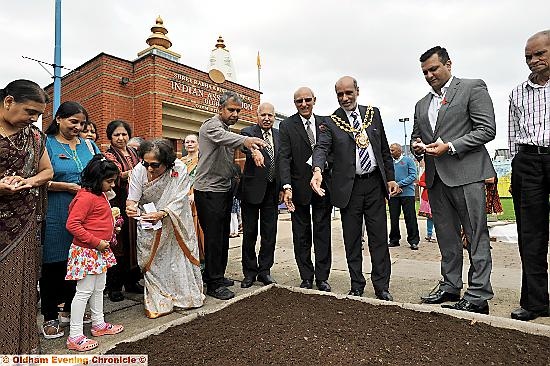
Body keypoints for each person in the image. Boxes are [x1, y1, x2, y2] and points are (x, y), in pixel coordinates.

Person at [412, 46, 496, 315]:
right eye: (424, 71)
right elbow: (418, 135)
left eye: (434, 68)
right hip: (436, 179)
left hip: (468, 175)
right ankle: (450, 285)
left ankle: (479, 294)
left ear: (448, 64)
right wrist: (416, 146)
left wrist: (451, 146)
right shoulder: (421, 104)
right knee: (446, 238)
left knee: (475, 236)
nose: (429, 75)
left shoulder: (472, 87)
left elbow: (487, 130)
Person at [311, 76, 398, 300]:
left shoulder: (373, 114)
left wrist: (390, 178)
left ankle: (381, 286)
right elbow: (321, 148)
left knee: (378, 238)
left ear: (357, 91)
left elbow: (384, 150)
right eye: (340, 94)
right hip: (349, 189)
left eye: (348, 93)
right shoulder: (331, 122)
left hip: (374, 186)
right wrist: (317, 171)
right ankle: (357, 283)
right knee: (351, 239)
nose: (344, 98)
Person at [193, 91, 266, 300]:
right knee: (215, 238)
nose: (235, 114)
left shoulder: (227, 130)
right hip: (208, 191)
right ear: (220, 109)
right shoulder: (212, 126)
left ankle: (215, 275)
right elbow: (228, 139)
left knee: (223, 236)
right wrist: (249, 141)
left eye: (238, 110)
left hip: (223, 190)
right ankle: (214, 284)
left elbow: (228, 155)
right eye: (231, 110)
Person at [0, 79, 52, 354]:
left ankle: (17, 346)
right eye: (29, 112)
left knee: (19, 284)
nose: (33, 119)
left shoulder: (33, 137)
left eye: (37, 115)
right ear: (8, 101)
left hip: (22, 221)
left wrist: (29, 182)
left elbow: (47, 172)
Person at [126, 139, 204, 317]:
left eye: (155, 165)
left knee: (177, 258)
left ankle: (184, 298)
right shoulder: (140, 170)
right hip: (149, 221)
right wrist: (131, 207)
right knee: (153, 261)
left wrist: (163, 213)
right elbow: (132, 198)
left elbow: (179, 197)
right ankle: (160, 301)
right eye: (146, 163)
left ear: (167, 163)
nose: (149, 169)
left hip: (176, 219)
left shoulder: (179, 168)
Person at [41, 101, 100, 339]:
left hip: (86, 212)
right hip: (56, 210)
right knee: (54, 263)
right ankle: (49, 316)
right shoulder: (46, 144)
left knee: (79, 262)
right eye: (73, 121)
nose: (77, 127)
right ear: (58, 119)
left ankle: (69, 309)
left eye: (82, 123)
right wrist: (62, 186)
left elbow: (99, 173)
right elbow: (36, 179)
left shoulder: (89, 145)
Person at [508, 30, 550, 321]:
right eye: (528, 56)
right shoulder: (516, 93)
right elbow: (512, 135)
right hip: (528, 163)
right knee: (531, 237)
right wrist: (519, 163)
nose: (533, 60)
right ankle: (536, 302)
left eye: (539, 54)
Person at [65, 155, 124, 351]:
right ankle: (75, 335)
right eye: (109, 181)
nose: (112, 184)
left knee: (99, 288)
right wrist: (96, 242)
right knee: (83, 292)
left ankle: (98, 324)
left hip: (98, 251)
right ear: (97, 178)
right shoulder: (86, 197)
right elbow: (72, 224)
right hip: (88, 252)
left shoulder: (98, 195)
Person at [279, 87, 333, 292]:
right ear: (294, 103)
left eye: (307, 100)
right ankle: (306, 276)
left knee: (322, 232)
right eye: (299, 101)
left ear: (314, 100)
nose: (303, 104)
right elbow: (284, 158)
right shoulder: (286, 125)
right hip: (298, 189)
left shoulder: (325, 123)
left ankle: (322, 277)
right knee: (301, 235)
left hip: (323, 188)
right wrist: (286, 186)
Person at [239, 102, 280, 288]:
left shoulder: (280, 136)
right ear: (257, 116)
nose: (266, 118)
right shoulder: (247, 132)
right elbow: (245, 147)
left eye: (270, 115)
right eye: (263, 115)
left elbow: (283, 162)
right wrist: (255, 150)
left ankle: (264, 271)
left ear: (274, 116)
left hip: (272, 192)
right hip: (251, 192)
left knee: (269, 234)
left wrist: (282, 188)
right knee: (249, 233)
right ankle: (249, 273)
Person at [103, 120, 142, 302]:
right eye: (117, 134)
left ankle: (132, 282)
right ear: (110, 137)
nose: (121, 138)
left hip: (134, 202)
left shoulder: (134, 151)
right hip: (117, 203)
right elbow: (115, 175)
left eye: (124, 134)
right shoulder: (108, 155)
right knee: (118, 243)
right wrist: (136, 172)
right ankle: (114, 286)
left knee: (135, 241)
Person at [388, 143, 420, 250]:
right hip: (393, 195)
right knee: (393, 218)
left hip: (407, 194)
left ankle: (413, 241)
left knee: (410, 217)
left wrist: (399, 184)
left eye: (392, 150)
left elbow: (413, 176)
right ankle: (394, 239)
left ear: (399, 151)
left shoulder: (408, 160)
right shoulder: (390, 163)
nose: (390, 152)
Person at [180, 134, 204, 266]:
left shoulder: (202, 159)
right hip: (183, 199)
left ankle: (200, 259)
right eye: (187, 141)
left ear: (198, 144)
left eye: (193, 141)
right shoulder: (180, 161)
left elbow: (203, 178)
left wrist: (195, 193)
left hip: (197, 197)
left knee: (198, 229)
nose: (189, 144)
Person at [418, 166, 436, 242]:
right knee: (430, 217)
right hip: (428, 197)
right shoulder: (428, 171)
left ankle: (436, 234)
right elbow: (420, 182)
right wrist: (429, 185)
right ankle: (429, 234)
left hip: (440, 197)